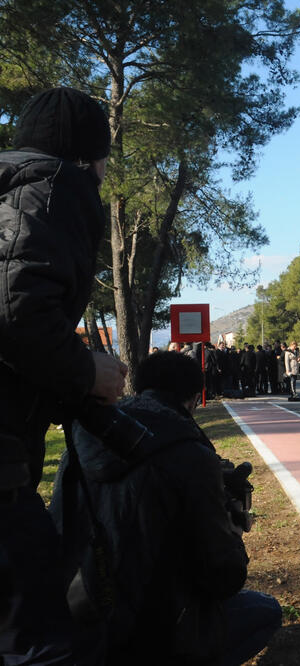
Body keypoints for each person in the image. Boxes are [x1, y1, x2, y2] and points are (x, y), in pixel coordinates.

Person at [0, 86, 127, 663]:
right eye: (103, 158)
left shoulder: (12, 187)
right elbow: (16, 310)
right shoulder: (55, 188)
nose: (104, 172)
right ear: (86, 156)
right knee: (36, 632)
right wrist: (88, 371)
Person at [50, 351, 281, 664]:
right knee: (265, 612)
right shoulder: (189, 453)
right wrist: (234, 532)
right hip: (151, 631)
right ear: (192, 401)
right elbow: (223, 577)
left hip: (73, 618)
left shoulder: (83, 437)